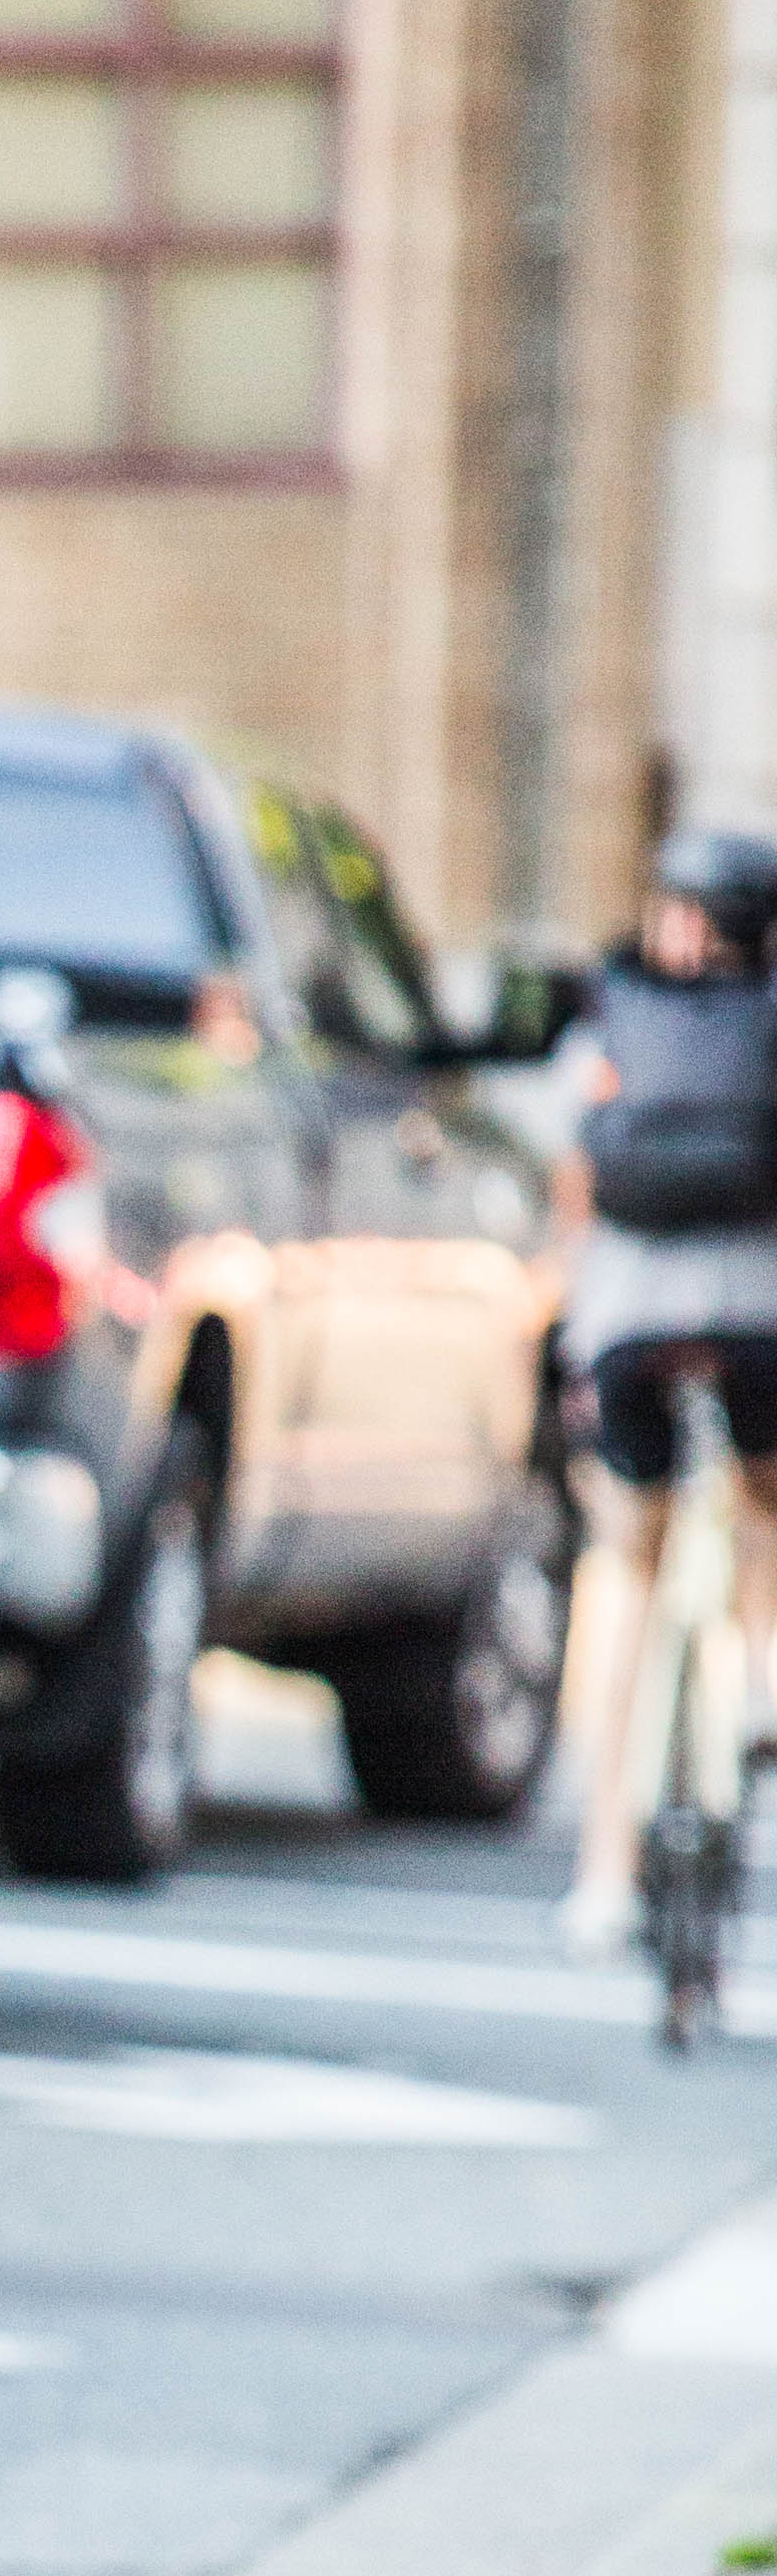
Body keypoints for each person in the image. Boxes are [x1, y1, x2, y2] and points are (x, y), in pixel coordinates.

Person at [552, 824, 777, 1957]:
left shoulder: (611, 1012)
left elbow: (575, 1180)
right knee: (765, 1505)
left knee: (630, 1569)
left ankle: (603, 1871)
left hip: (630, 1321)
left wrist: (568, 1334)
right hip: (759, 1315)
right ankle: (768, 1673)